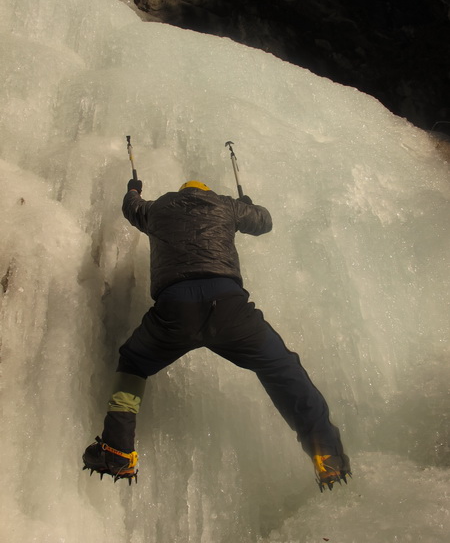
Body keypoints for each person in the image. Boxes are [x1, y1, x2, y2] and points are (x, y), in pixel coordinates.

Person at [82, 179, 351, 491]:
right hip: (229, 309)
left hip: (175, 310)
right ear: (206, 192)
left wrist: (133, 189)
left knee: (134, 363)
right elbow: (263, 221)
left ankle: (117, 449)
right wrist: (247, 205)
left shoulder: (157, 209)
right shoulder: (226, 205)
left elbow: (131, 207)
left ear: (181, 193)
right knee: (281, 367)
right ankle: (327, 455)